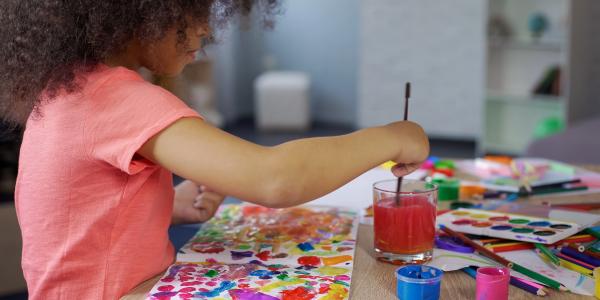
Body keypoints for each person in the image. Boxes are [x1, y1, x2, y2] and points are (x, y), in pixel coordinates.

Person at [0, 1, 429, 299]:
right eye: (195, 7)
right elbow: (274, 178)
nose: (208, 28)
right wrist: (389, 137)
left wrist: (162, 204)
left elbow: (73, 217)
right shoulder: (116, 101)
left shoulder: (69, 90)